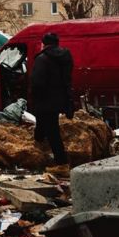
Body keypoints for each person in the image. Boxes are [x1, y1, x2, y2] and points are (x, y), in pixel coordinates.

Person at [30, 32, 74, 177]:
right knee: (43, 126)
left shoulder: (42, 59)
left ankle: (62, 164)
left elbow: (37, 83)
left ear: (44, 44)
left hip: (45, 101)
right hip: (59, 100)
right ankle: (39, 148)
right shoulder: (65, 57)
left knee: (53, 132)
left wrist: (35, 98)